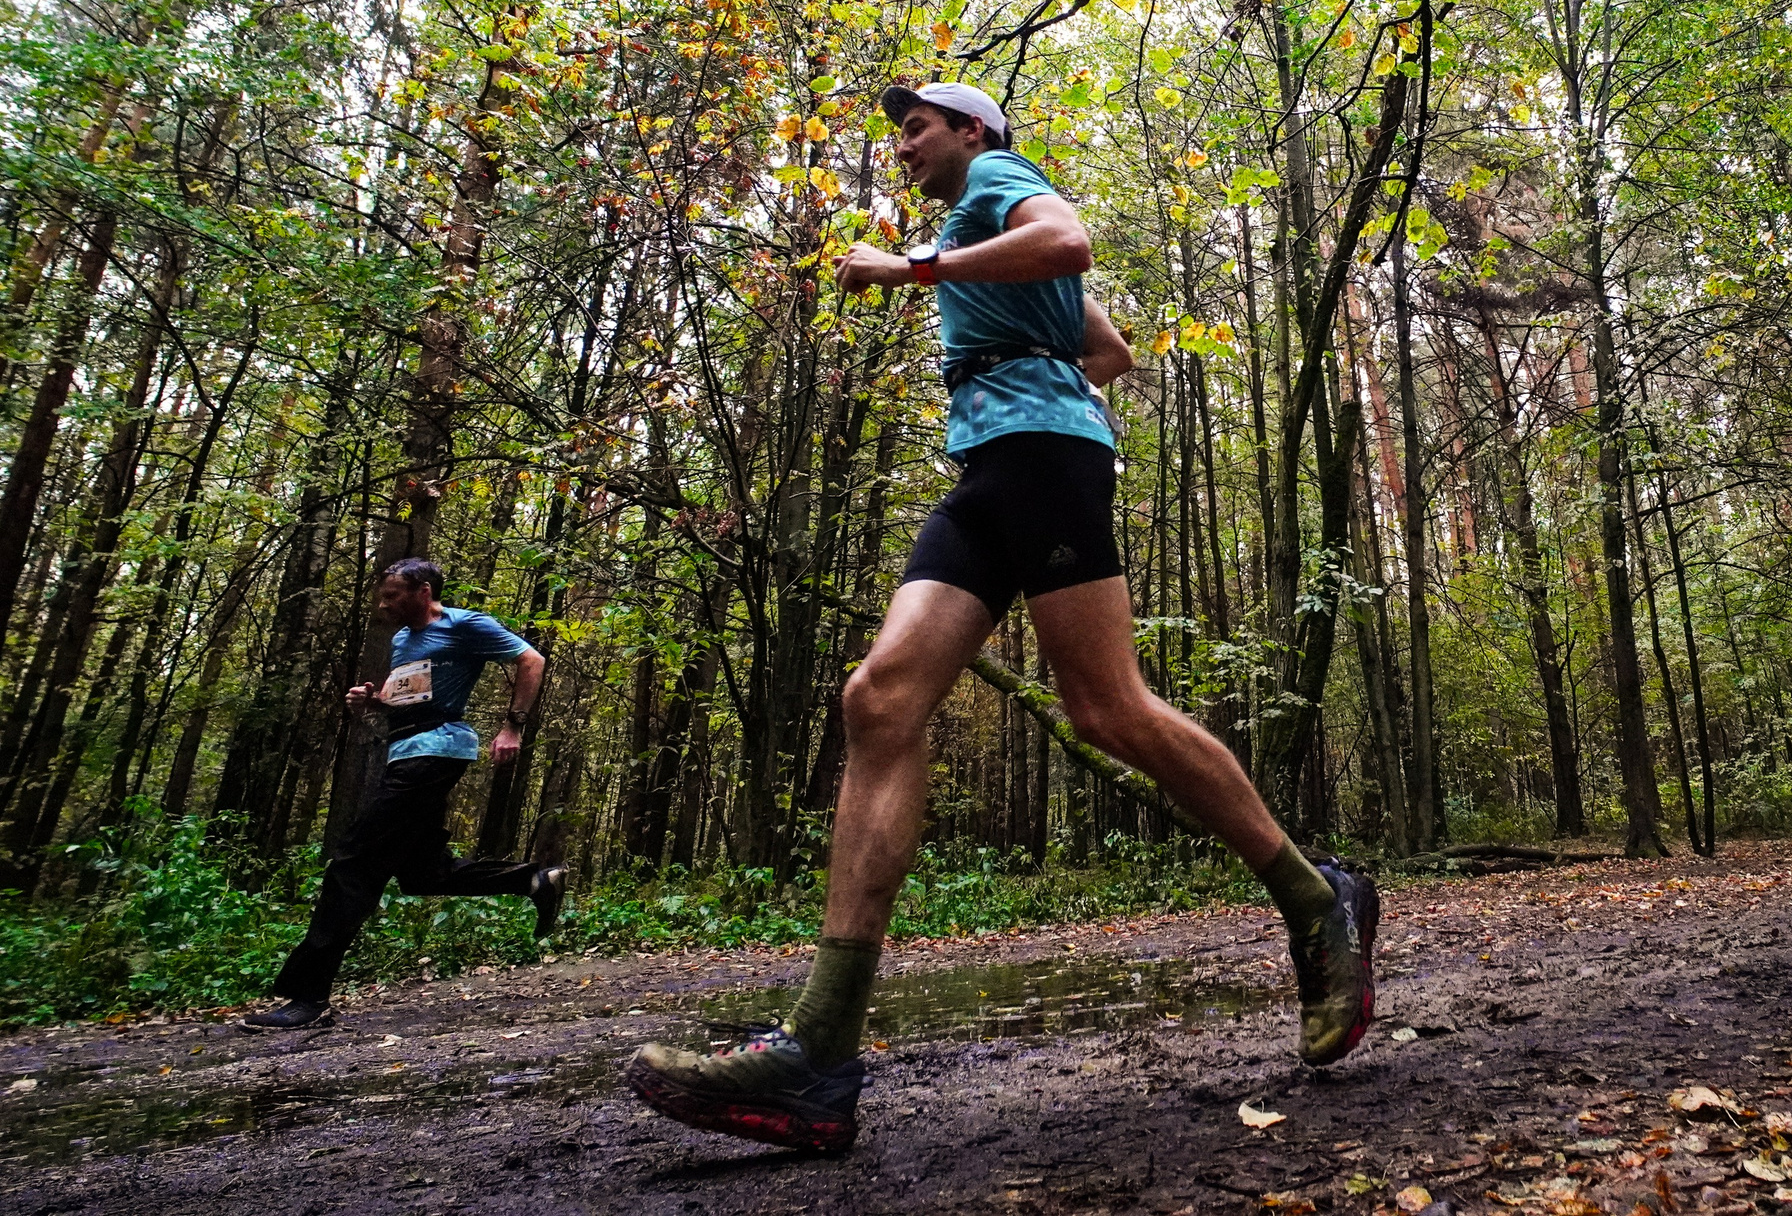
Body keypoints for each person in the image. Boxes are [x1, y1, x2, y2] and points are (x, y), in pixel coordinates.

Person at [625, 79, 1378, 1152]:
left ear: (971, 131)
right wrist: (1040, 360)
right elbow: (1105, 348)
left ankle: (1315, 899)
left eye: (916, 128)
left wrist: (911, 269)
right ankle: (818, 1052)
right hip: (995, 461)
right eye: (901, 135)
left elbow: (1068, 245)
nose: (904, 148)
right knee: (880, 699)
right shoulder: (974, 220)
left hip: (1039, 459)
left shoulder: (994, 178)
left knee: (1108, 708)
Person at [240, 558, 567, 1030]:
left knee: (353, 863)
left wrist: (512, 726)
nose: (383, 602)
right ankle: (532, 881)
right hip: (404, 748)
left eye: (393, 593)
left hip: (437, 750)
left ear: (423, 590)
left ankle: (308, 998)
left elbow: (531, 659)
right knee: (422, 873)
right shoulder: (401, 640)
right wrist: (373, 702)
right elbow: (412, 695)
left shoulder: (465, 624)